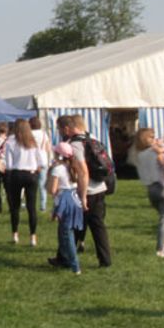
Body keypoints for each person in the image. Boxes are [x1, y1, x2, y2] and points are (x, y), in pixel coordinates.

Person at [58, 114, 111, 268]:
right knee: (96, 226)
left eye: (60, 129)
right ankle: (105, 260)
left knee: (71, 225)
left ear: (68, 128)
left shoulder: (75, 144)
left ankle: (65, 258)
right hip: (100, 187)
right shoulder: (92, 138)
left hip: (86, 190)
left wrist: (82, 196)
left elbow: (82, 171)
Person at [4, 119, 47, 246]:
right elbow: (43, 162)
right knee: (31, 207)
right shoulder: (33, 142)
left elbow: (9, 163)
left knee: (15, 207)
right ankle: (33, 237)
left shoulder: (11, 142)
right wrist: (37, 168)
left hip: (16, 174)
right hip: (31, 174)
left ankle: (15, 234)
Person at [135, 129, 164, 258]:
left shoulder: (140, 155)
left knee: (163, 218)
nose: (155, 138)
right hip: (163, 186)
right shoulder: (156, 152)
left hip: (150, 188)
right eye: (152, 137)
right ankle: (160, 248)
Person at [46, 143, 83, 274]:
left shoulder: (58, 169)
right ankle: (67, 260)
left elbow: (52, 189)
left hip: (64, 201)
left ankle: (75, 266)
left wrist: (50, 174)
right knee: (64, 233)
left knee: (67, 235)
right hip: (75, 199)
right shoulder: (73, 166)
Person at [30, 117, 50, 213]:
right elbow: (47, 148)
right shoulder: (43, 134)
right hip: (43, 160)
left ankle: (29, 204)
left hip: (32, 160)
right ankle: (43, 206)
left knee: (30, 185)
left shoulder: (29, 134)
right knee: (42, 184)